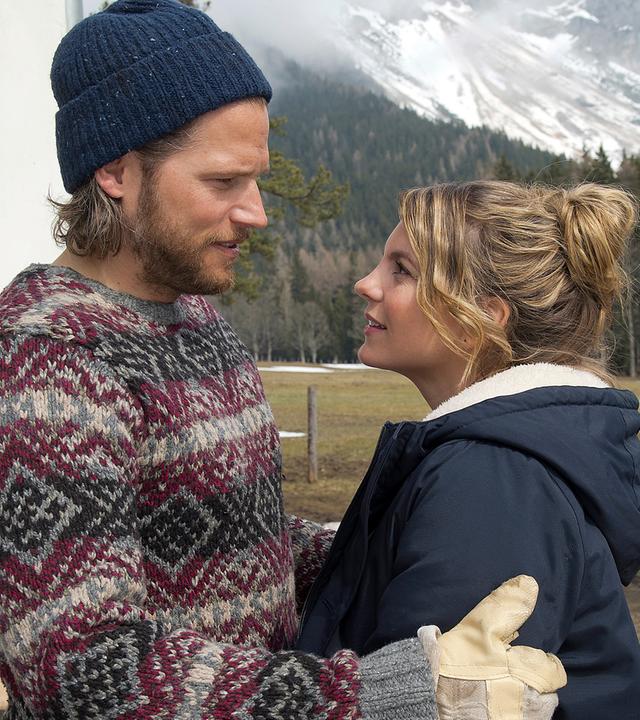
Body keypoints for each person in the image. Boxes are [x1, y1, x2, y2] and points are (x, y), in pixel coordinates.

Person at [0, 2, 566, 718]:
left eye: (257, 179)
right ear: (116, 172)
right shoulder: (49, 357)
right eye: (223, 182)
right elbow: (79, 666)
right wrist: (374, 696)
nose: (257, 212)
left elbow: (236, 541)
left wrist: (401, 547)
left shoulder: (196, 318)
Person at [295, 180, 640, 719]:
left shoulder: (493, 478)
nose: (366, 284)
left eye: (401, 270)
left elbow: (416, 704)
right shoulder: (506, 455)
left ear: (481, 316)